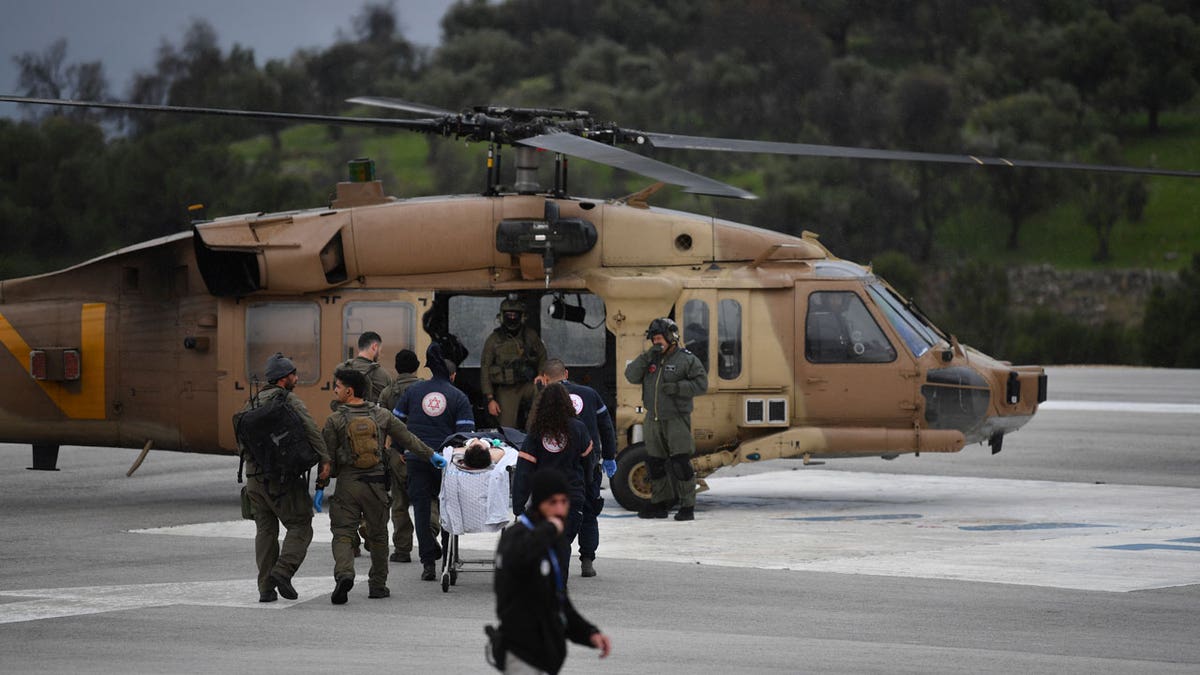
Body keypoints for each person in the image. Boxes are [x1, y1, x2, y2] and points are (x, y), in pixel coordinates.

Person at [322, 368, 445, 604]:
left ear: (349, 391)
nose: (334, 390)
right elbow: (408, 438)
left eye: (337, 386)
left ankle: (345, 573)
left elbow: (327, 458)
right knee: (378, 536)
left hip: (348, 484)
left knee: (343, 533)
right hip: (376, 484)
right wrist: (431, 456)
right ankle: (377, 585)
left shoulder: (335, 419)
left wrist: (321, 484)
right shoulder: (382, 415)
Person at [491, 469, 612, 674]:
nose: (559, 509)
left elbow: (559, 600)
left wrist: (588, 633)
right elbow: (519, 558)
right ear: (539, 503)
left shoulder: (554, 540)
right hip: (520, 651)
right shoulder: (517, 536)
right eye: (552, 502)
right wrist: (549, 530)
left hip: (546, 654)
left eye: (563, 502)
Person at [236, 352, 331, 603]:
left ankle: (265, 589)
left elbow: (241, 443)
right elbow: (311, 429)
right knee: (301, 525)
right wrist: (325, 459)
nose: (297, 379)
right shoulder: (289, 401)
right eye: (293, 375)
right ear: (283, 379)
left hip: (254, 479)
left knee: (265, 532)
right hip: (282, 480)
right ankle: (283, 571)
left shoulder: (251, 403)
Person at [394, 342, 476, 581]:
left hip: (416, 459)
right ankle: (448, 562)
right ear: (453, 375)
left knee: (420, 509)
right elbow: (465, 436)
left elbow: (397, 423)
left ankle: (428, 563)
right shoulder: (458, 397)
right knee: (449, 510)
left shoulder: (414, 391)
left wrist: (401, 448)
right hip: (446, 463)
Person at [533, 358, 616, 578]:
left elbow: (533, 431)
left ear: (546, 379)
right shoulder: (590, 394)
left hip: (556, 464)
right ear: (566, 374)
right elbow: (606, 426)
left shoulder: (544, 399)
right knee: (589, 509)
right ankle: (587, 560)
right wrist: (609, 456)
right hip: (589, 460)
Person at [623, 317, 708, 521]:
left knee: (680, 463)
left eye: (660, 338)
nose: (656, 343)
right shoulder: (649, 359)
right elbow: (631, 376)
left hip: (676, 419)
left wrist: (679, 388)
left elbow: (701, 384)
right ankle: (659, 504)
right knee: (655, 463)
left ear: (672, 338)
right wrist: (646, 357)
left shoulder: (686, 359)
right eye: (654, 339)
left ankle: (687, 505)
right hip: (653, 419)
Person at [511, 383, 591, 582]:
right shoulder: (579, 428)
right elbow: (589, 463)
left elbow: (524, 470)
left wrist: (519, 504)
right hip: (571, 496)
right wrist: (588, 489)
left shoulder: (536, 432)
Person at [377, 349, 429, 563]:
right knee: (429, 498)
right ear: (417, 366)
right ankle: (430, 535)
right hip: (424, 451)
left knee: (399, 502)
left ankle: (402, 549)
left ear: (396, 368)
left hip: (397, 453)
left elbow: (381, 425)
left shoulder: (388, 393)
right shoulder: (427, 389)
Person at [481, 296, 546, 429]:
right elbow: (485, 369)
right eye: (508, 315)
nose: (512, 317)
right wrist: (490, 399)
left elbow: (542, 355)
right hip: (506, 390)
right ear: (502, 316)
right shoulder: (494, 340)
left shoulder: (530, 336)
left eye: (515, 315)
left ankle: (536, 429)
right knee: (507, 428)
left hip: (527, 384)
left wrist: (541, 375)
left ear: (521, 316)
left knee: (543, 392)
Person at [338, 331, 394, 403]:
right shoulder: (384, 375)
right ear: (375, 347)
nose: (380, 354)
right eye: (380, 350)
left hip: (346, 413)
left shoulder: (341, 369)